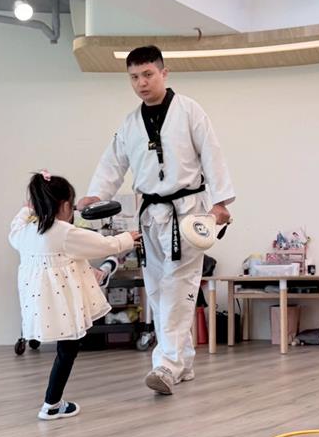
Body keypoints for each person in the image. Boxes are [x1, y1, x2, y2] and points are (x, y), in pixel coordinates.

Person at [79, 45, 234, 395]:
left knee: (178, 287)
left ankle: (165, 365)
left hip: (188, 214)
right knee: (159, 291)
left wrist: (221, 204)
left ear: (164, 73)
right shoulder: (130, 123)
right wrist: (95, 195)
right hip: (151, 216)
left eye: (148, 74)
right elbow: (112, 163)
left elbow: (213, 155)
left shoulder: (190, 111)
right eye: (134, 77)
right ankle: (184, 363)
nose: (141, 83)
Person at [10, 171, 139, 420]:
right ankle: (52, 404)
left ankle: (53, 402)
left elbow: (15, 225)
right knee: (67, 350)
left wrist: (27, 210)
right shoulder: (64, 232)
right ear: (64, 205)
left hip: (39, 301)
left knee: (66, 349)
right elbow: (103, 244)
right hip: (63, 302)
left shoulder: (24, 232)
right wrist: (128, 238)